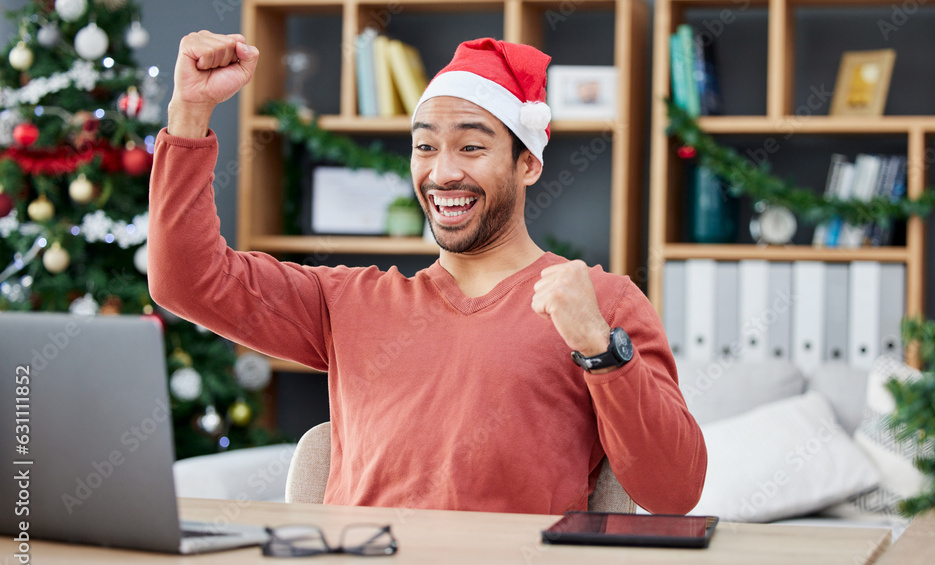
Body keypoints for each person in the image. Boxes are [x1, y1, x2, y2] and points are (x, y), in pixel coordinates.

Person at [149, 31, 706, 515]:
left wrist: (599, 349)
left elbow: (674, 489)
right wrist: (190, 114)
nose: (443, 172)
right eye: (424, 147)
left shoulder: (599, 305)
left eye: (470, 146)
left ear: (528, 163)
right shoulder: (347, 302)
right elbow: (185, 279)